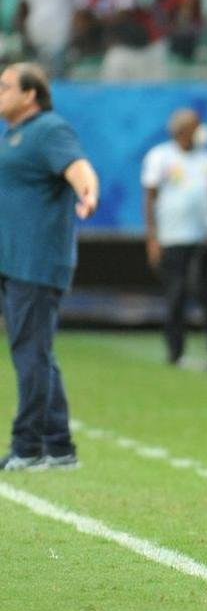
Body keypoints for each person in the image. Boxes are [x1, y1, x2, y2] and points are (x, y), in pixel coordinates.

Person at [0, 63, 98, 471]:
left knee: (30, 355)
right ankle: (58, 448)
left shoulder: (49, 129)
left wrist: (87, 193)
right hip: (14, 261)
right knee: (37, 352)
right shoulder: (14, 135)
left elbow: (78, 167)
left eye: (5, 86)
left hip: (36, 262)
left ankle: (28, 447)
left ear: (30, 94)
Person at [141, 108, 207, 366]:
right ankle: (175, 351)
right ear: (182, 131)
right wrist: (153, 237)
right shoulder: (160, 156)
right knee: (176, 294)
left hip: (203, 237)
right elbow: (150, 198)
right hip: (172, 237)